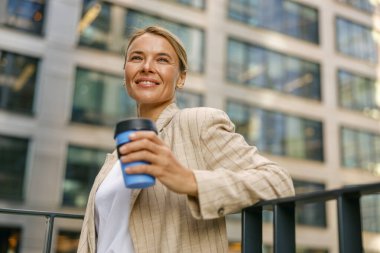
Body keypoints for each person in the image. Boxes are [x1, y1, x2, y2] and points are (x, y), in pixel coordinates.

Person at [77, 26, 295, 253]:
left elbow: (279, 183)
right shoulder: (117, 156)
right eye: (136, 58)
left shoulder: (197, 123)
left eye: (162, 60)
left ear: (181, 78)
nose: (147, 67)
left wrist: (189, 181)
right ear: (126, 72)